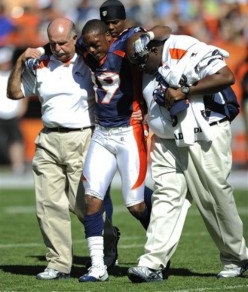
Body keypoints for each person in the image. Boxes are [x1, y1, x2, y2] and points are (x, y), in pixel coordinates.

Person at [124, 31, 248, 282]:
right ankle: (153, 263)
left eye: (140, 61)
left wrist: (185, 90)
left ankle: (237, 258)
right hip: (166, 139)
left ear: (154, 49)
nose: (139, 68)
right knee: (165, 198)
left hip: (202, 133)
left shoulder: (184, 47)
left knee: (213, 198)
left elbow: (226, 76)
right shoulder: (148, 59)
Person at [6, 17, 118, 280]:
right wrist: (21, 62)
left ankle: (108, 235)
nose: (57, 48)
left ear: (74, 38)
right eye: (53, 43)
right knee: (48, 204)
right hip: (48, 139)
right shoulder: (40, 64)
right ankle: (58, 263)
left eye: (62, 42)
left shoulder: (89, 62)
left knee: (82, 204)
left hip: (83, 138)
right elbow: (14, 93)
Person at [77, 18, 171, 283]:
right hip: (102, 132)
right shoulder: (85, 48)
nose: (93, 50)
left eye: (97, 45)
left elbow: (162, 32)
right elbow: (65, 45)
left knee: (136, 204)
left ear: (108, 37)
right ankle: (97, 266)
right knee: (92, 199)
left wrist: (142, 33)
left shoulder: (122, 50)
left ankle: (159, 250)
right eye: (89, 46)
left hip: (129, 129)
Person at [0, 46, 27, 175]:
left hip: (12, 113)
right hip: (1, 113)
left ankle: (18, 166)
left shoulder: (15, 74)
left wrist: (22, 108)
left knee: (16, 140)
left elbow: (23, 93)